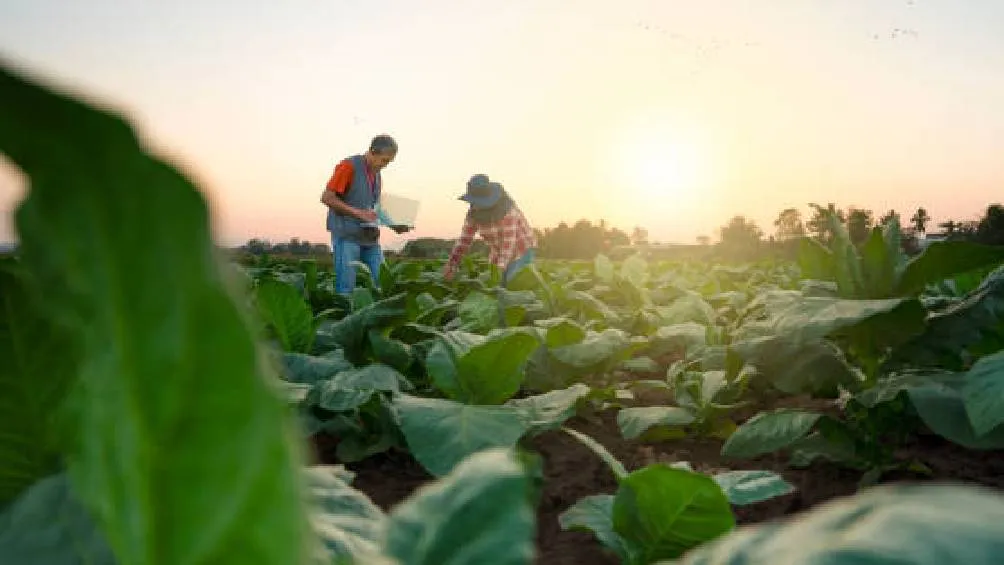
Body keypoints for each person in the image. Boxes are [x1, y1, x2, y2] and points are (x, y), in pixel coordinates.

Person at [321, 134, 410, 295]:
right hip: (347, 236)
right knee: (346, 288)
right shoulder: (348, 166)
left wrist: (394, 224)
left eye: (389, 162)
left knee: (382, 282)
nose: (385, 165)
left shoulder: (377, 175)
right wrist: (357, 213)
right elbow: (327, 197)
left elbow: (373, 209)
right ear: (372, 152)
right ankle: (343, 318)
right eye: (384, 160)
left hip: (369, 238)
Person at [443, 174, 537, 285]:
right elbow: (464, 241)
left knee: (511, 283)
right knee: (495, 284)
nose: (475, 205)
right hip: (497, 250)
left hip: (521, 248)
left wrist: (499, 270)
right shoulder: (473, 214)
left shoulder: (507, 212)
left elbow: (508, 245)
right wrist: (452, 264)